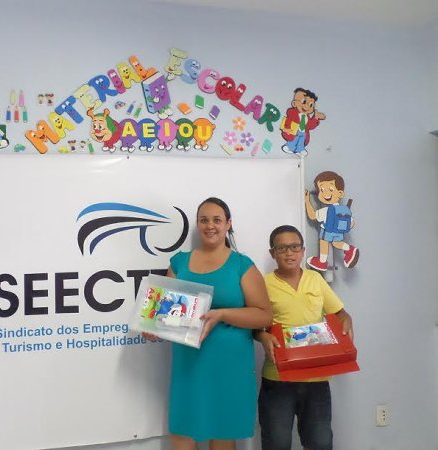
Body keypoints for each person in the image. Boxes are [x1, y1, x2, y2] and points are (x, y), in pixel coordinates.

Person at [147, 197, 273, 450]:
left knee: (222, 434)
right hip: (189, 365)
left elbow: (264, 315)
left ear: (228, 224)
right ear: (198, 224)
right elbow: (160, 312)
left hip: (230, 366)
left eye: (217, 220)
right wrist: (152, 327)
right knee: (182, 434)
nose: (210, 225)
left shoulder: (241, 264)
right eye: (204, 220)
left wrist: (222, 314)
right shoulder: (179, 262)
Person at [254, 225, 353, 450]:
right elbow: (254, 326)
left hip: (316, 378)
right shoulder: (262, 283)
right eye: (282, 248)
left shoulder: (315, 279)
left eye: (294, 247)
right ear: (272, 253)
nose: (289, 253)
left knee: (320, 442)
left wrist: (347, 322)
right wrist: (262, 336)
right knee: (276, 443)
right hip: (278, 378)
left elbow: (340, 313)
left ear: (303, 250)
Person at [305, 171, 359, 271]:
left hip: (328, 231)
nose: (325, 193)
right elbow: (351, 223)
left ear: (340, 193)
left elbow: (312, 216)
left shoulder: (327, 210)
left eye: (330, 189)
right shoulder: (344, 209)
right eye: (322, 190)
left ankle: (322, 262)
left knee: (324, 242)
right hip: (339, 232)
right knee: (336, 242)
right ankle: (349, 249)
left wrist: (307, 201)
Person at [280, 88, 326, 157]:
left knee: (301, 141)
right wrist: (287, 128)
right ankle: (289, 147)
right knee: (294, 140)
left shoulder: (307, 117)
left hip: (303, 133)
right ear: (294, 103)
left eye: (311, 105)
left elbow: (310, 125)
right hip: (295, 131)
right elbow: (288, 121)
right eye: (304, 102)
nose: (307, 106)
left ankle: (300, 149)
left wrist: (316, 118)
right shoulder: (292, 113)